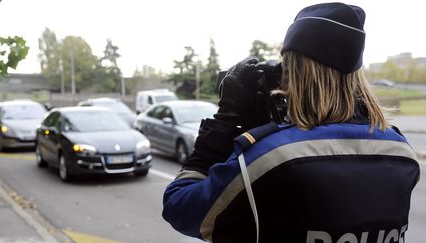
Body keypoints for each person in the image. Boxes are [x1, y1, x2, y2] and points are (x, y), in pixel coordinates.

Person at [162, 2, 420, 243]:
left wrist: (226, 119)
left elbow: (179, 207)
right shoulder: (400, 151)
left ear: (294, 72)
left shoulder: (273, 156)